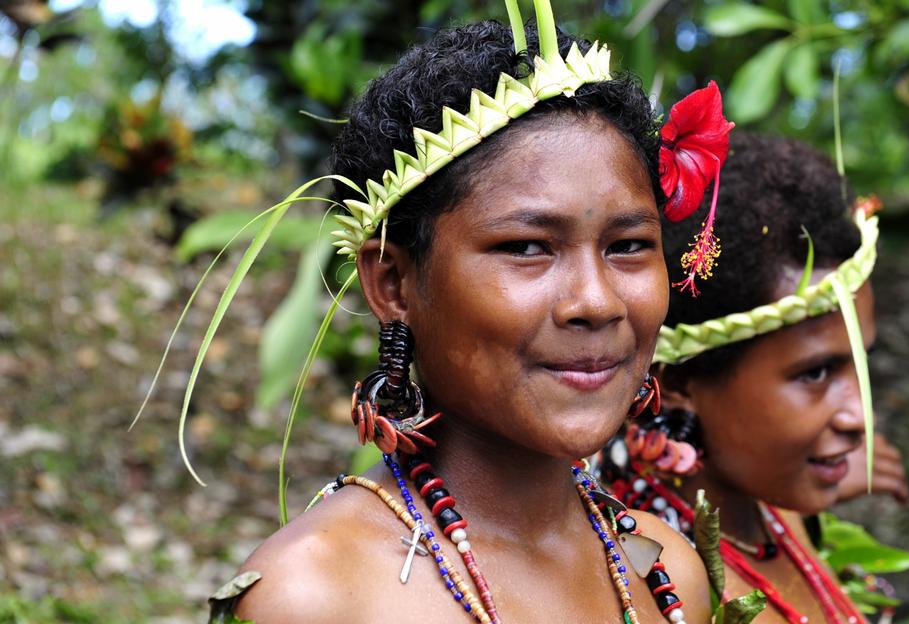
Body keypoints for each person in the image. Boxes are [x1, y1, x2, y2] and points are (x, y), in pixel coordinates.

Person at [152, 4, 743, 623]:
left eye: (628, 246)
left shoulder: (666, 569)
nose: (596, 301)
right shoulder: (314, 595)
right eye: (526, 248)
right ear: (393, 283)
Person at [602, 133, 909, 623]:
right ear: (677, 381)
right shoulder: (648, 583)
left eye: (860, 362)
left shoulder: (774, 511)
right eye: (815, 373)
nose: (862, 417)